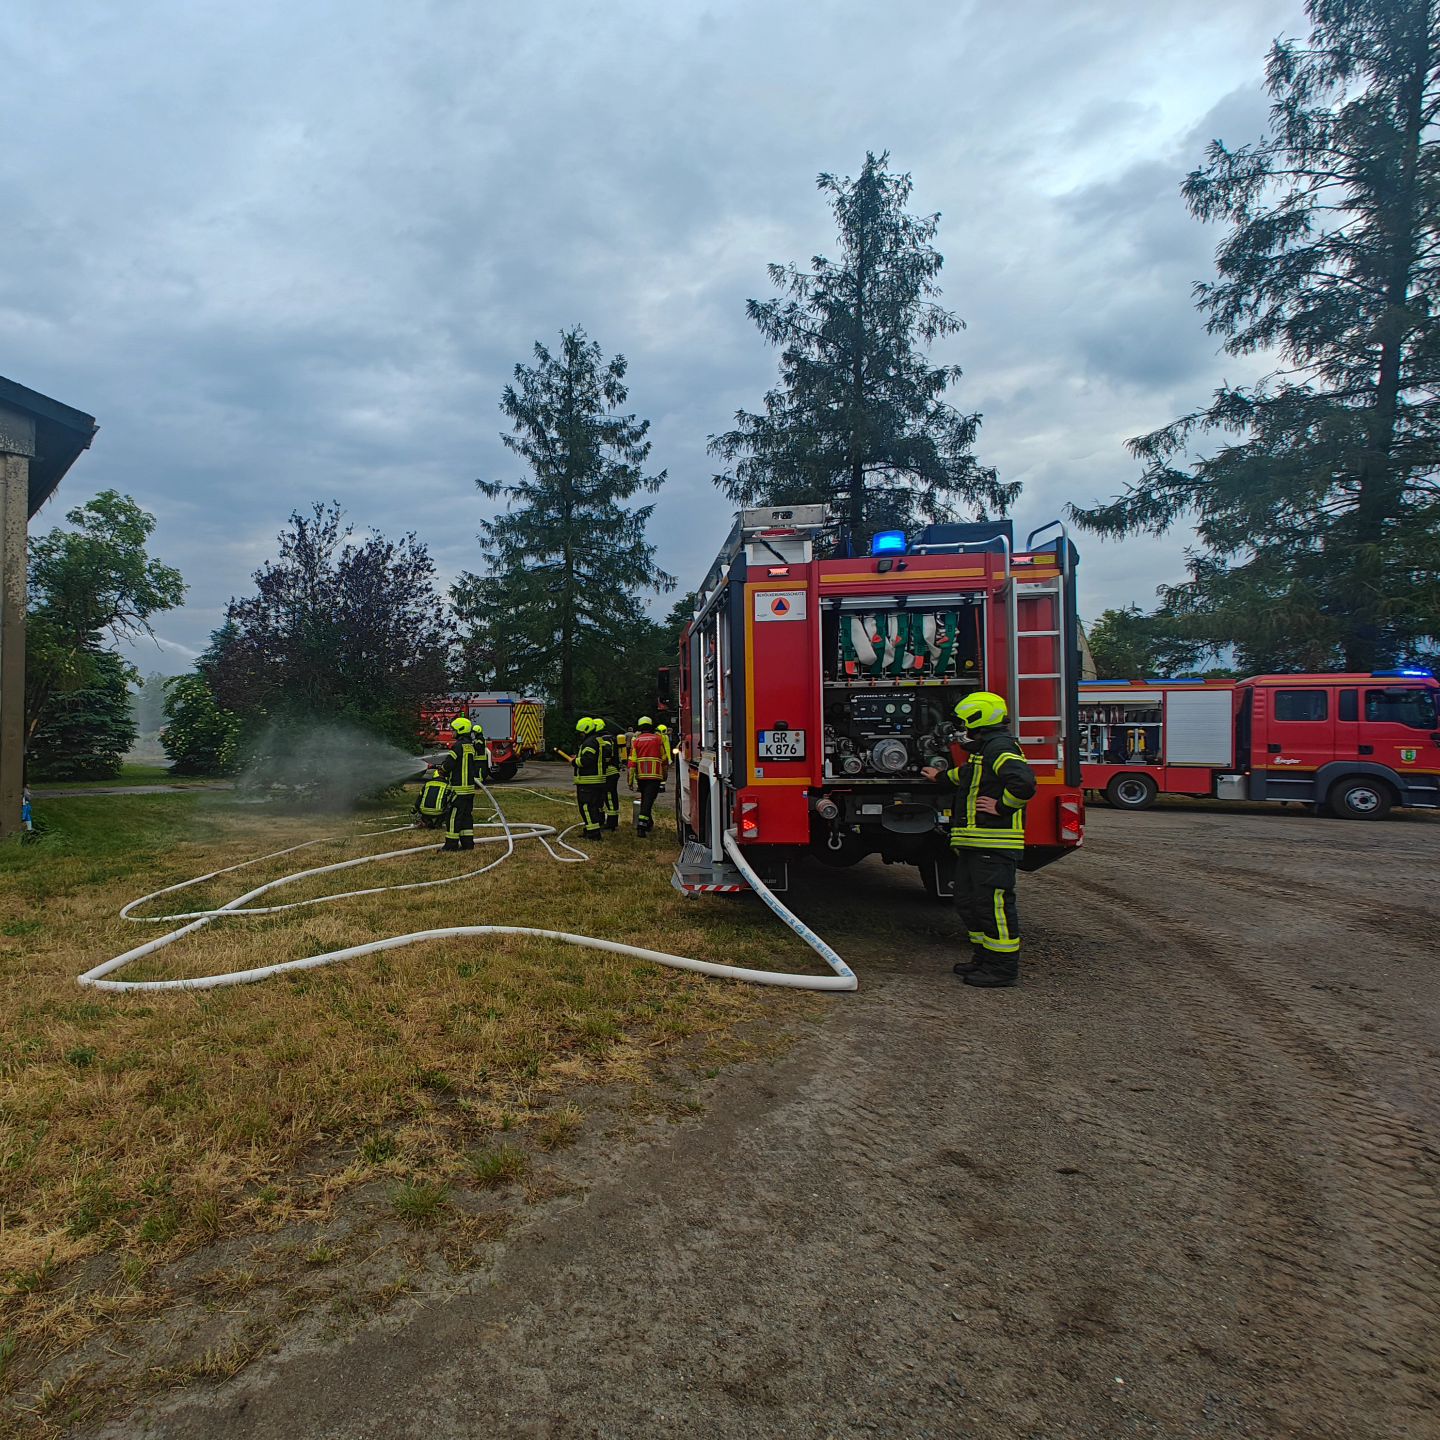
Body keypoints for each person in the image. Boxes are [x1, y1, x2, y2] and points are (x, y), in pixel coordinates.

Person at [921, 691, 1036, 989]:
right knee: (969, 901)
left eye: (964, 722)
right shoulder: (986, 750)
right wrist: (939, 777)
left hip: (994, 843)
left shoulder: (1000, 748)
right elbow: (969, 776)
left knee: (992, 905)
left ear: (977, 718)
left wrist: (1001, 806)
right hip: (975, 843)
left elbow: (1023, 783)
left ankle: (1002, 968)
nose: (961, 728)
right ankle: (983, 958)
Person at [436, 716, 488, 852]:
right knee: (466, 817)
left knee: (453, 817)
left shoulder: (458, 746)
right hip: (469, 790)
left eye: (454, 730)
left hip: (458, 790)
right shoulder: (470, 746)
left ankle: (450, 845)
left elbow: (449, 764)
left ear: (460, 729)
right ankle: (467, 844)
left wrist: (441, 770)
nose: (452, 732)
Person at [627, 715, 668, 836]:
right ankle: (642, 826)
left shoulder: (637, 740)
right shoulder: (658, 739)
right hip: (655, 776)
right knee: (648, 800)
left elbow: (632, 762)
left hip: (641, 777)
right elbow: (664, 759)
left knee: (646, 799)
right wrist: (664, 775)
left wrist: (630, 781)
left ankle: (648, 823)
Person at [572, 717, 607, 843]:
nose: (580, 735)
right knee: (595, 806)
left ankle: (592, 833)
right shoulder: (598, 740)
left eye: (581, 733)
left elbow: (587, 760)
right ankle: (593, 829)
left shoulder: (589, 742)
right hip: (598, 780)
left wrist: (575, 761)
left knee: (586, 807)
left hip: (588, 780)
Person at [596, 718, 621, 832]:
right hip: (606, 773)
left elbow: (606, 755)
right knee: (601, 797)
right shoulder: (608, 737)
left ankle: (612, 822)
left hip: (609, 772)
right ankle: (601, 820)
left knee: (609, 797)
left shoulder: (605, 739)